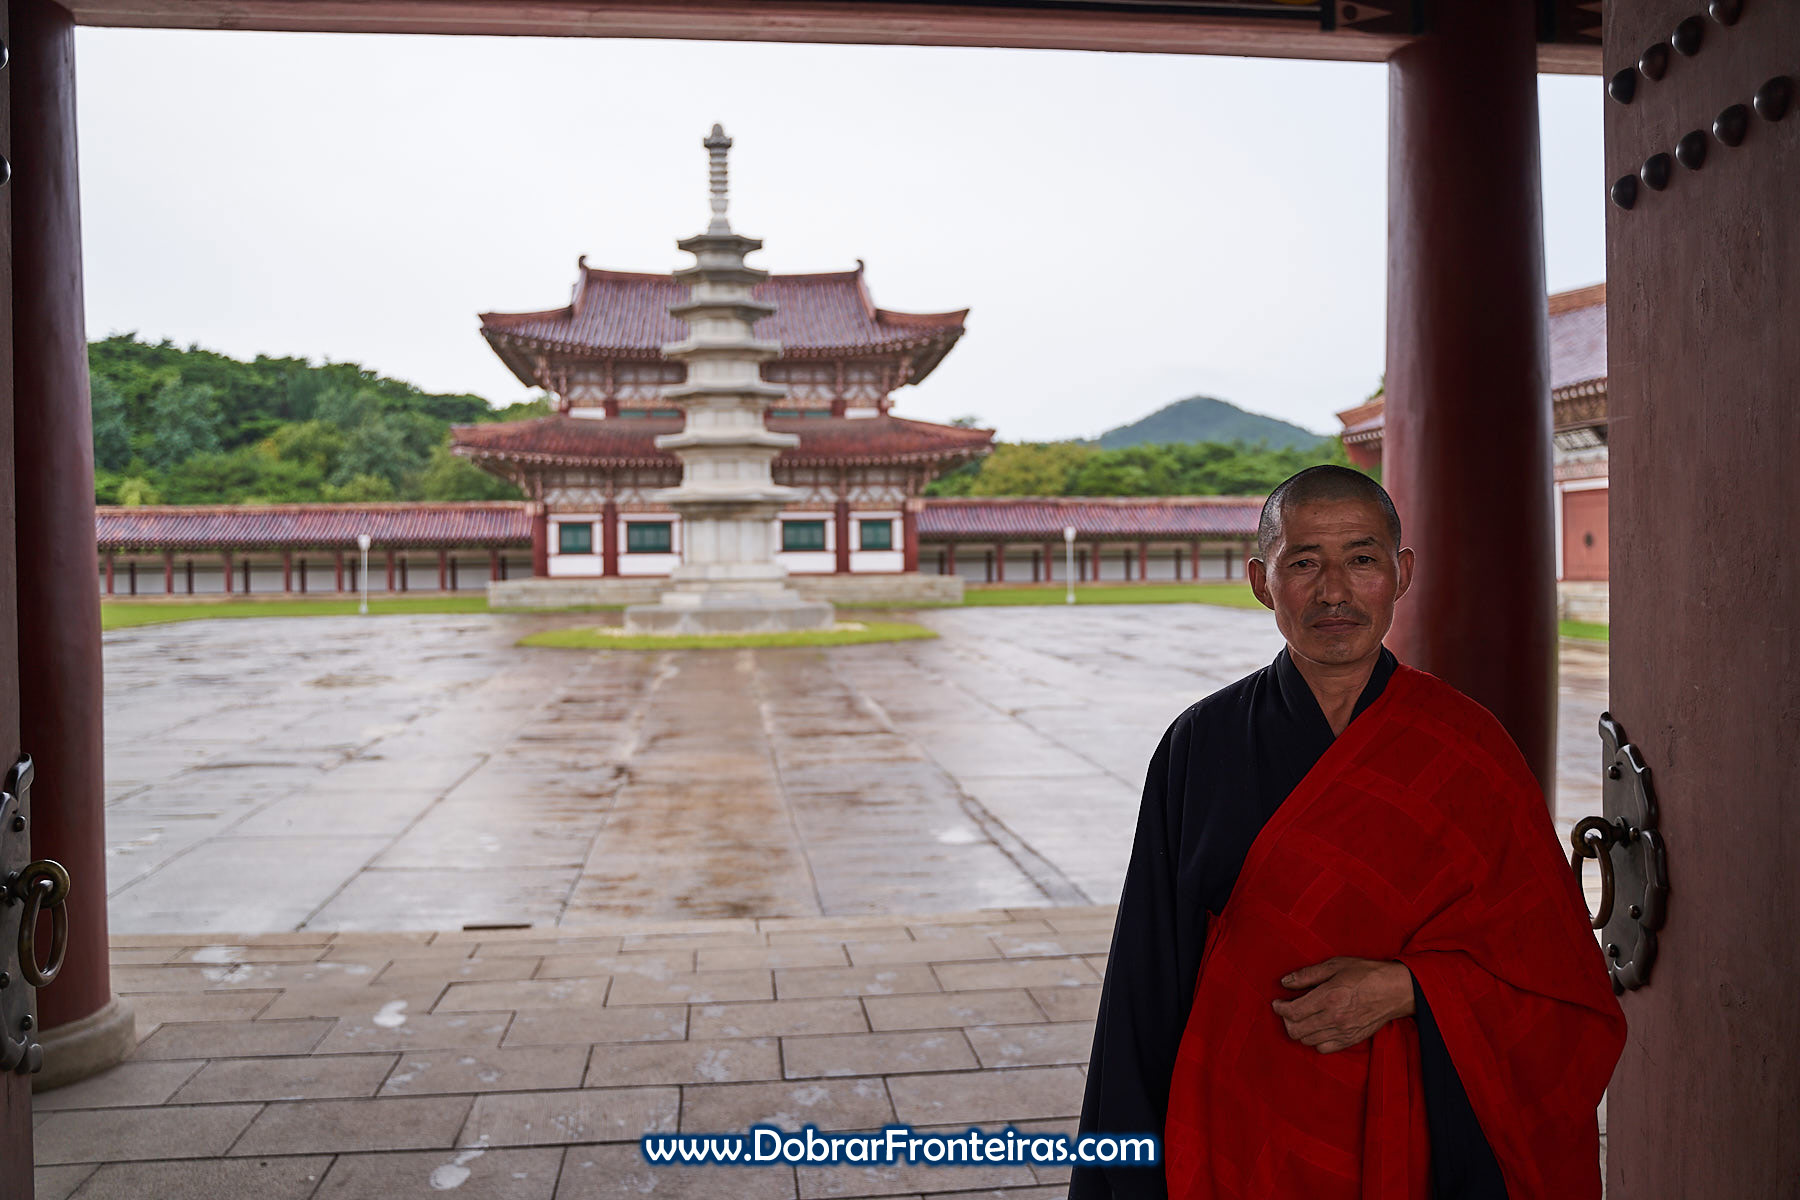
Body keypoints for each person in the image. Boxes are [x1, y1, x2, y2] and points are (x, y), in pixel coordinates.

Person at [1069, 465, 1626, 1200]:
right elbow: (1146, 986)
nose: (1333, 591)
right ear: (1261, 581)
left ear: (1400, 574)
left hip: (1424, 1142)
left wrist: (1413, 990)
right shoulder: (1199, 746)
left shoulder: (1468, 749)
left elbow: (1558, 982)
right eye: (1304, 562)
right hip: (1240, 1130)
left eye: (1361, 560)